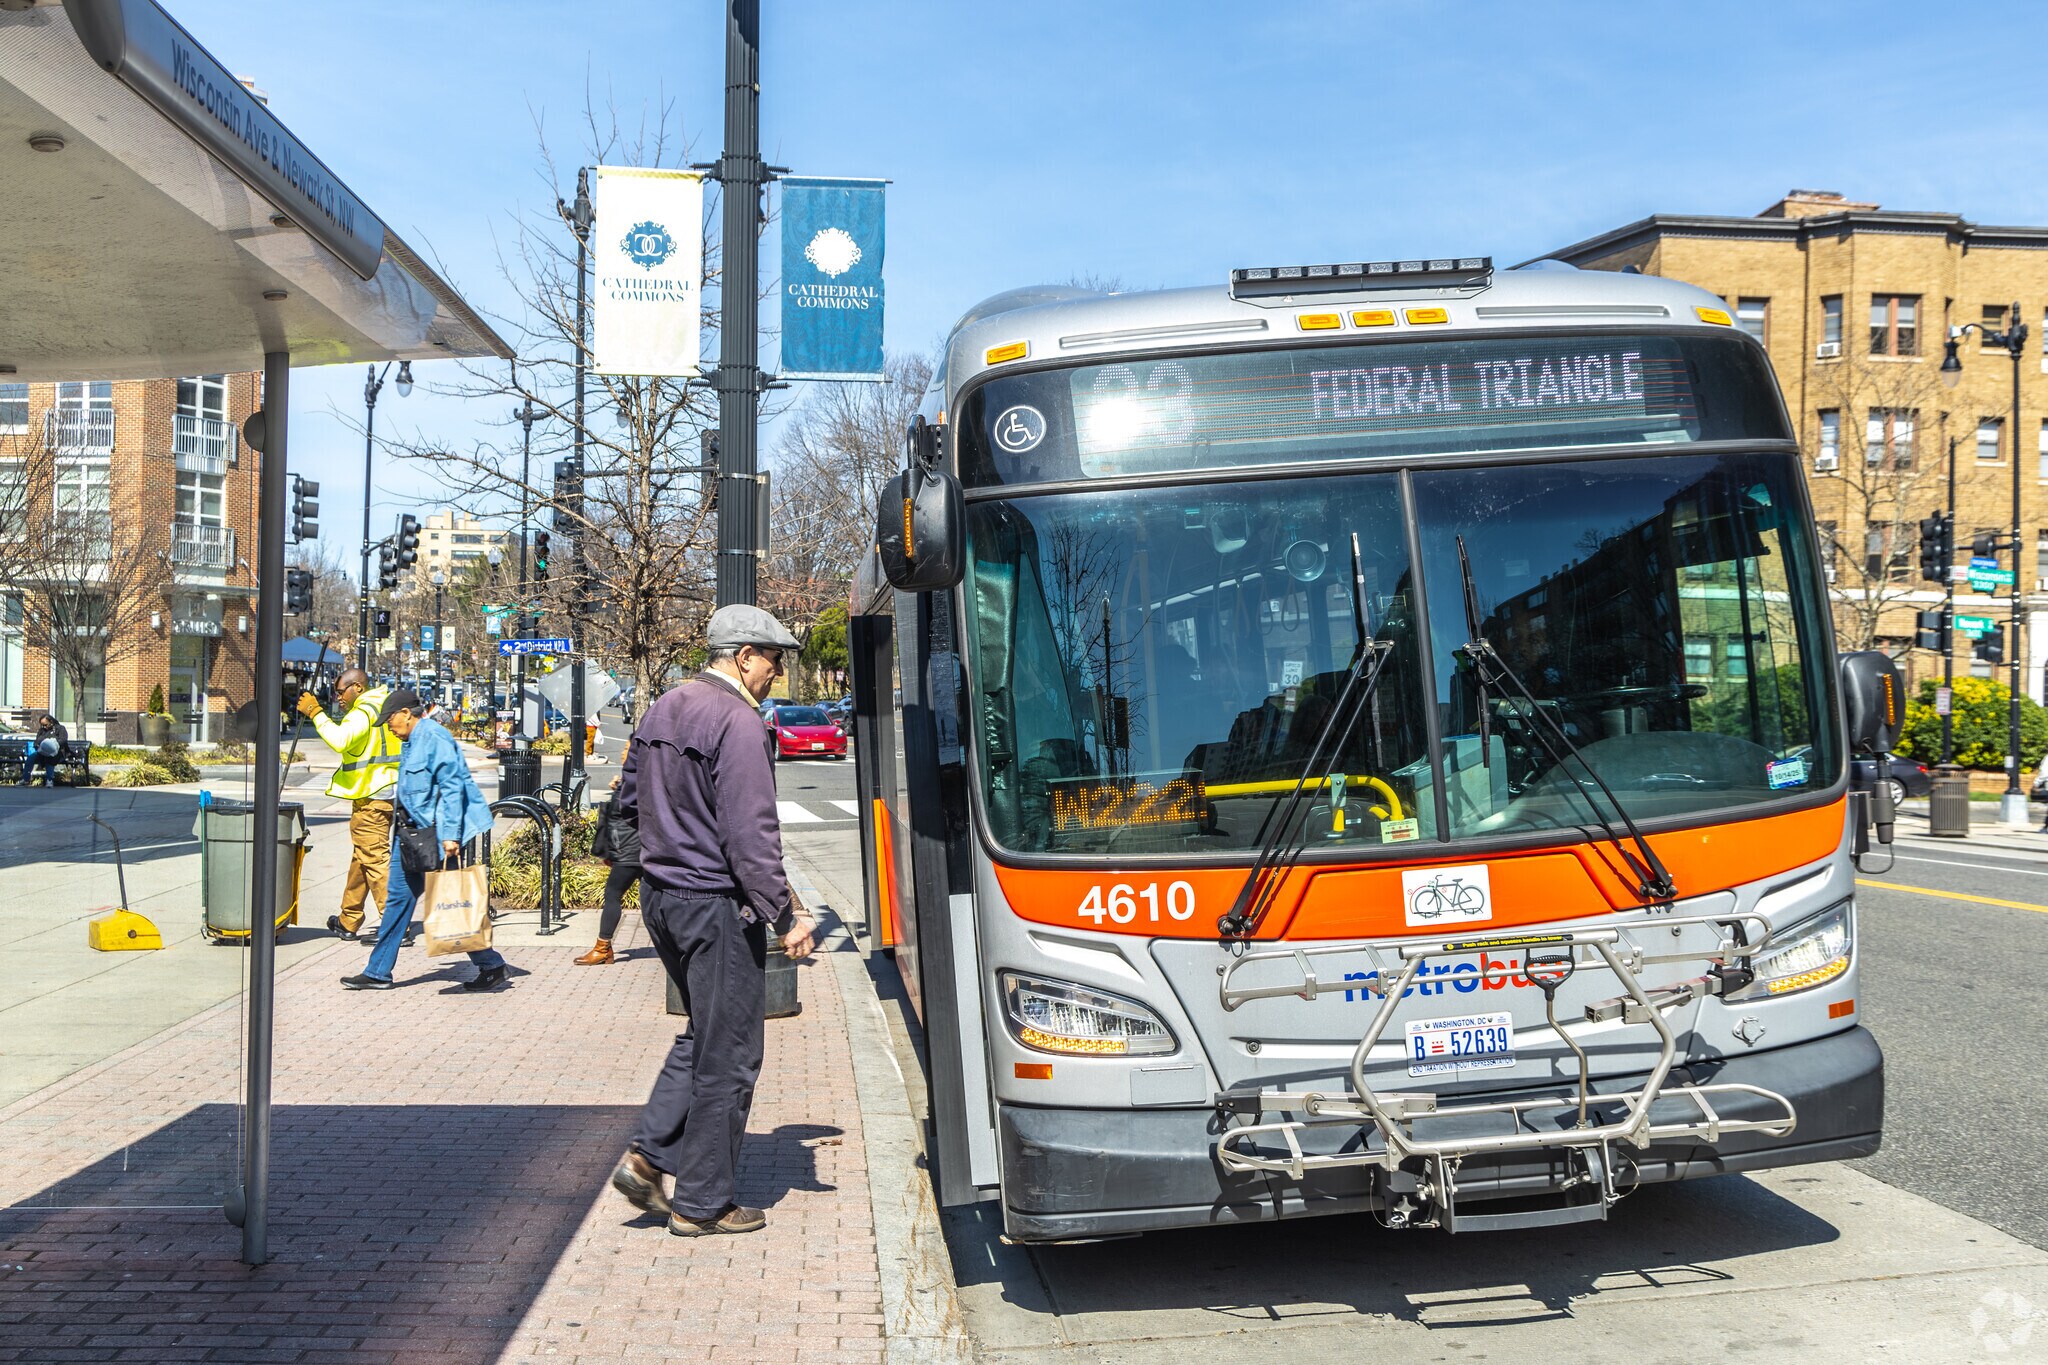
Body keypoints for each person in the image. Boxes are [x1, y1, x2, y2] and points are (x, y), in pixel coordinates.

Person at [609, 605, 817, 1236]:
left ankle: (648, 1158)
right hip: (714, 904)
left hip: (663, 897)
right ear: (742, 656)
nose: (777, 672)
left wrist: (644, 866)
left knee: (702, 1034)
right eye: (773, 659)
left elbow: (625, 801)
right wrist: (786, 912)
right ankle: (703, 1202)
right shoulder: (739, 721)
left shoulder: (663, 707)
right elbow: (750, 831)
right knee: (728, 1051)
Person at [341, 688, 512, 992]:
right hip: (411, 835)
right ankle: (378, 971)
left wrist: (450, 837)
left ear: (407, 713)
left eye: (390, 719)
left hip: (435, 835)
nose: (389, 727)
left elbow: (451, 787)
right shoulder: (410, 739)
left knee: (452, 903)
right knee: (398, 900)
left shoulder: (434, 737)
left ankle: (492, 965)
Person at [297, 668, 401, 940]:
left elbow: (340, 740)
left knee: (375, 861)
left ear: (357, 687)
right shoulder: (384, 703)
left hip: (371, 795)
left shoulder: (363, 711)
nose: (338, 697)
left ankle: (395, 927)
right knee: (362, 858)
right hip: (383, 792)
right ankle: (349, 919)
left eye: (341, 691)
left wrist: (316, 713)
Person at [576, 739, 641, 966]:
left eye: (626, 748)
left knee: (612, 894)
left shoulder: (638, 778)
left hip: (631, 850)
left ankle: (603, 948)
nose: (623, 753)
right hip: (633, 849)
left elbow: (629, 813)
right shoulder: (636, 777)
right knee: (656, 899)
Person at [18, 713, 67, 787]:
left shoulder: (60, 728)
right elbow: (37, 741)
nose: (44, 727)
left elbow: (63, 740)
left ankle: (49, 780)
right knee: (30, 758)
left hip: (57, 752)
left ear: (51, 721)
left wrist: (54, 743)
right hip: (42, 751)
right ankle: (25, 779)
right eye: (42, 725)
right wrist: (38, 745)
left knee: (49, 758)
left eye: (46, 724)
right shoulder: (42, 730)